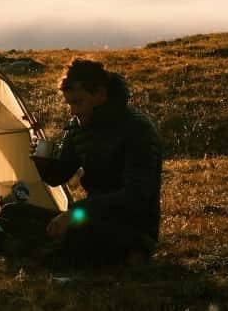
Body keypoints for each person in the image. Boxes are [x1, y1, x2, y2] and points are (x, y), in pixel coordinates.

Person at [29, 58, 163, 268]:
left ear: (100, 94)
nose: (73, 111)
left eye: (78, 102)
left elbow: (136, 196)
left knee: (79, 232)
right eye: (70, 103)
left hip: (130, 226)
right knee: (12, 213)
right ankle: (58, 249)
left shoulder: (137, 129)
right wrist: (42, 163)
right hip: (90, 216)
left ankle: (130, 252)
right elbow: (59, 176)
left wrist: (76, 212)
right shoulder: (78, 126)